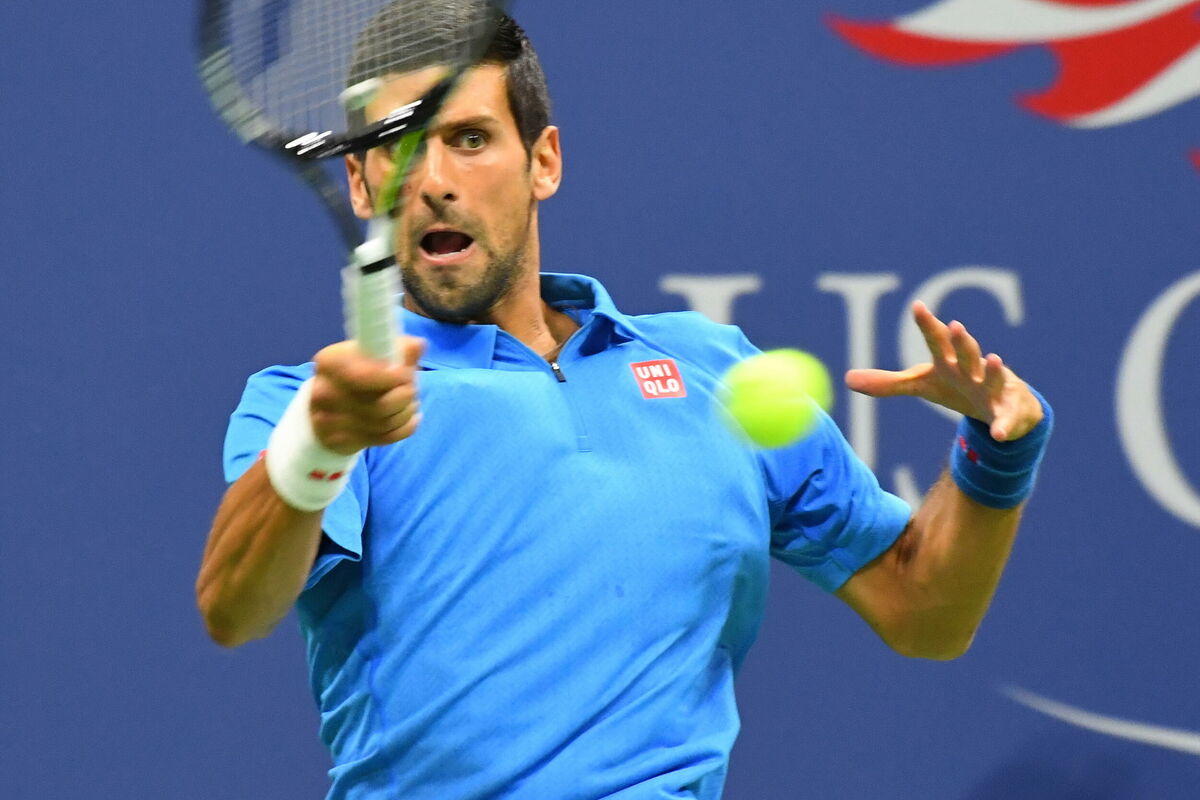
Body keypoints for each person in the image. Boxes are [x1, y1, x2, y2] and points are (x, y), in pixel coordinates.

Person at [196, 4, 1052, 799]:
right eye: (400, 147)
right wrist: (318, 444)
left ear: (544, 161)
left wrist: (996, 451)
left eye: (469, 139)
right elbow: (234, 608)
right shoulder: (309, 407)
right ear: (358, 181)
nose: (434, 180)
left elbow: (923, 610)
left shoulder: (711, 368)